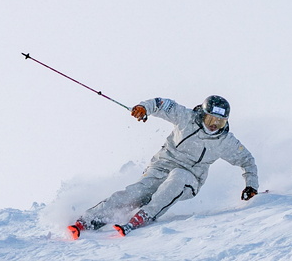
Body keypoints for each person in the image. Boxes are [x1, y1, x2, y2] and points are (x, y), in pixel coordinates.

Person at [68, 94, 259, 238]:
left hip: (190, 178)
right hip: (161, 166)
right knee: (138, 193)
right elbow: (161, 104)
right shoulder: (186, 117)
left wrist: (251, 185)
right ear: (203, 114)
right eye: (211, 120)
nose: (214, 126)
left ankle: (144, 216)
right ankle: (87, 221)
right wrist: (144, 108)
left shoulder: (225, 141)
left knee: (177, 177)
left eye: (220, 122)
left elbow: (247, 161)